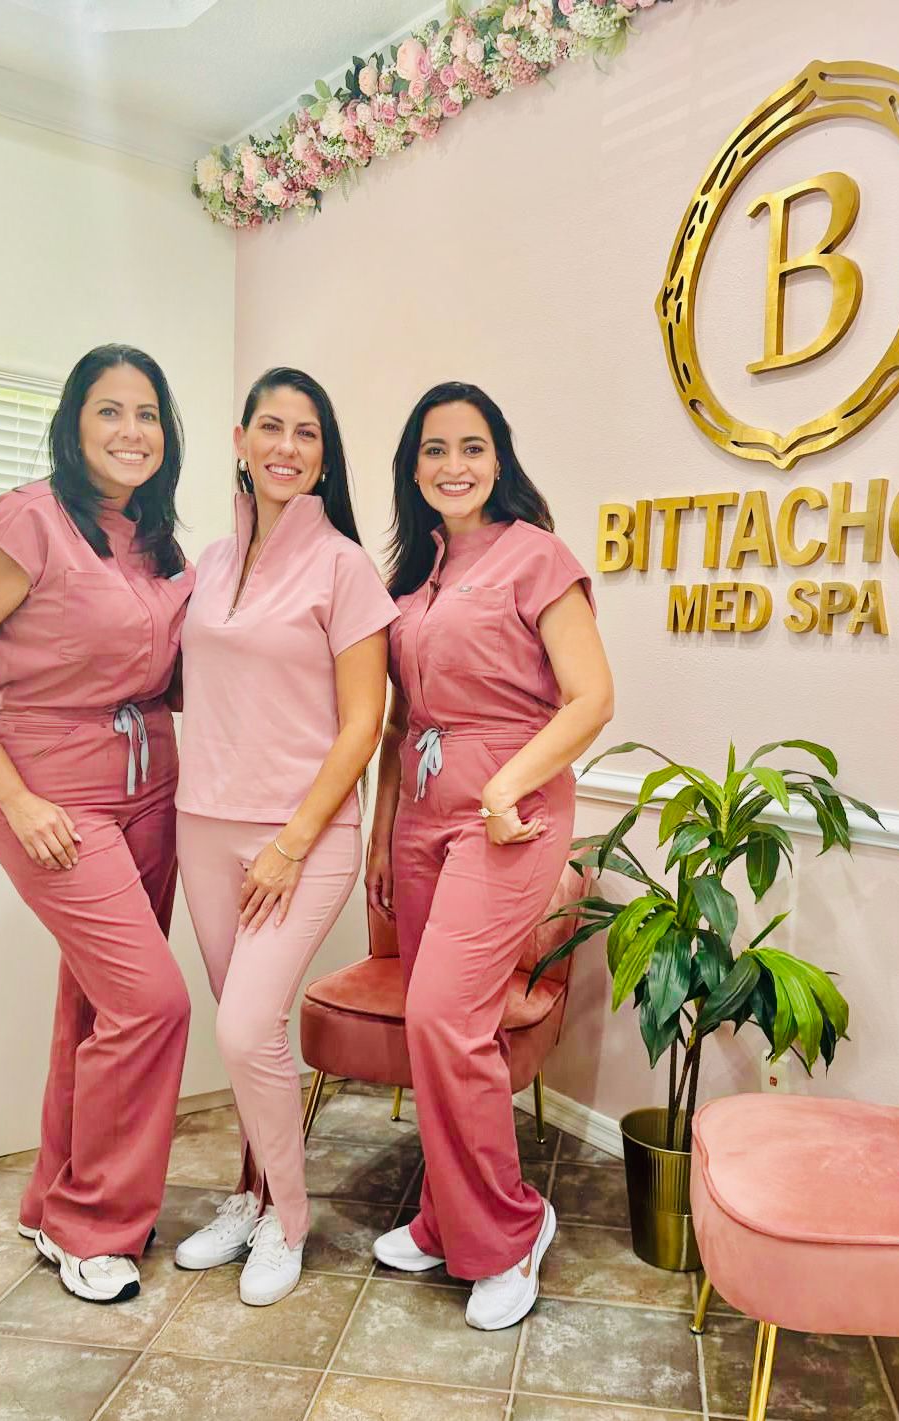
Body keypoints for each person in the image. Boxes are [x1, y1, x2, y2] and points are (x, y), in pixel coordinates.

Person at [0, 345, 195, 1303]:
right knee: (153, 1003)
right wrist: (18, 796)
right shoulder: (24, 521)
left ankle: (52, 1201)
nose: (131, 432)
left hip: (151, 788)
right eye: (110, 412)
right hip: (54, 792)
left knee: (96, 1006)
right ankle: (96, 1224)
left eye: (148, 415)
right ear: (74, 423)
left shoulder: (158, 542)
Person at [366, 382, 614, 1330]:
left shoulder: (538, 556)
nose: (453, 465)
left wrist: (508, 785)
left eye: (472, 446)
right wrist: (388, 827)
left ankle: (511, 1227)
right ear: (414, 466)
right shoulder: (415, 573)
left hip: (507, 813)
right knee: (435, 1023)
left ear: (500, 457)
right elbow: (397, 721)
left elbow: (590, 697)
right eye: (434, 449)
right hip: (423, 811)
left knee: (443, 1015)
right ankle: (443, 1216)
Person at [171, 368, 396, 1306]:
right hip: (202, 826)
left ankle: (290, 1221)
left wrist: (293, 840)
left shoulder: (343, 564)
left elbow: (364, 719)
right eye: (272, 427)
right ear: (239, 438)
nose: (288, 447)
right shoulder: (210, 564)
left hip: (299, 837)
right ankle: (248, 1193)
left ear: (323, 455)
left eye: (308, 434)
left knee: (243, 1023)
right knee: (245, 1037)